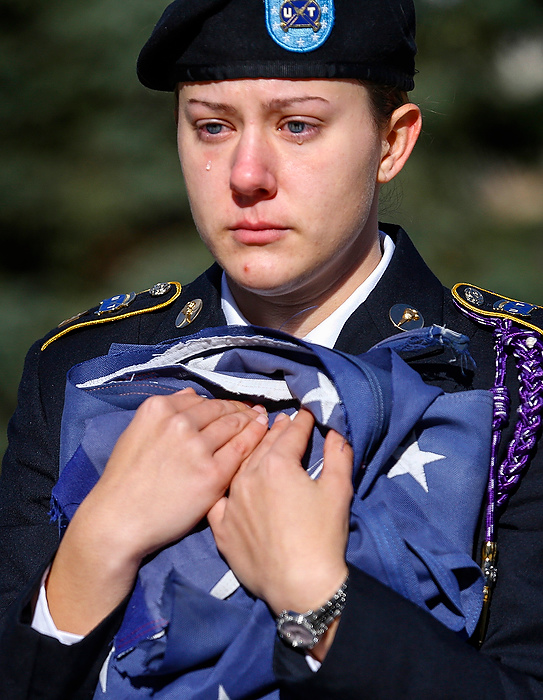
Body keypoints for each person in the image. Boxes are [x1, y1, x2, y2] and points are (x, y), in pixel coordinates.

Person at [0, 0, 542, 698]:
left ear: (391, 143)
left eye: (297, 125)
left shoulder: (517, 381)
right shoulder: (79, 365)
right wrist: (94, 552)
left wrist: (318, 601)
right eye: (212, 127)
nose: (246, 174)